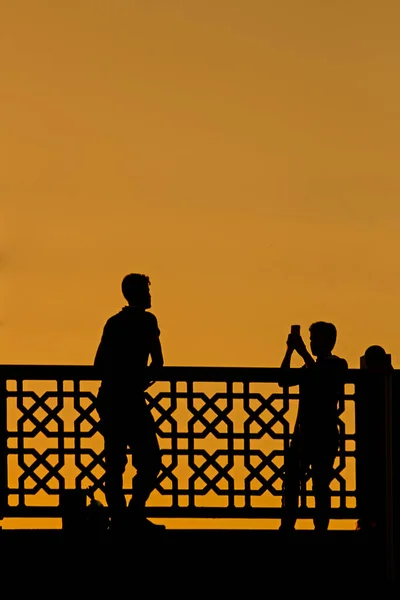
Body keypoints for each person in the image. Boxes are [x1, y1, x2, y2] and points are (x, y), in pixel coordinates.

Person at [94, 273, 164, 532]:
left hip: (110, 398)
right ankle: (134, 513)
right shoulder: (147, 321)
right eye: (147, 291)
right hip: (131, 400)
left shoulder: (113, 323)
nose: (150, 296)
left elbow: (98, 364)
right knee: (150, 460)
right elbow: (158, 363)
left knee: (115, 461)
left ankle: (120, 518)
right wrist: (141, 380)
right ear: (139, 294)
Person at [278, 321, 348, 532]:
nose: (312, 342)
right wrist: (289, 352)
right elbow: (283, 380)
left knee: (320, 483)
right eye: (311, 339)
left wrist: (303, 353)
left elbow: (322, 379)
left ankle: (321, 528)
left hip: (324, 433)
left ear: (330, 341)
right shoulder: (309, 366)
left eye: (315, 338)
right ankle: (288, 524)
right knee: (291, 481)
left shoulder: (337, 364)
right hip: (303, 433)